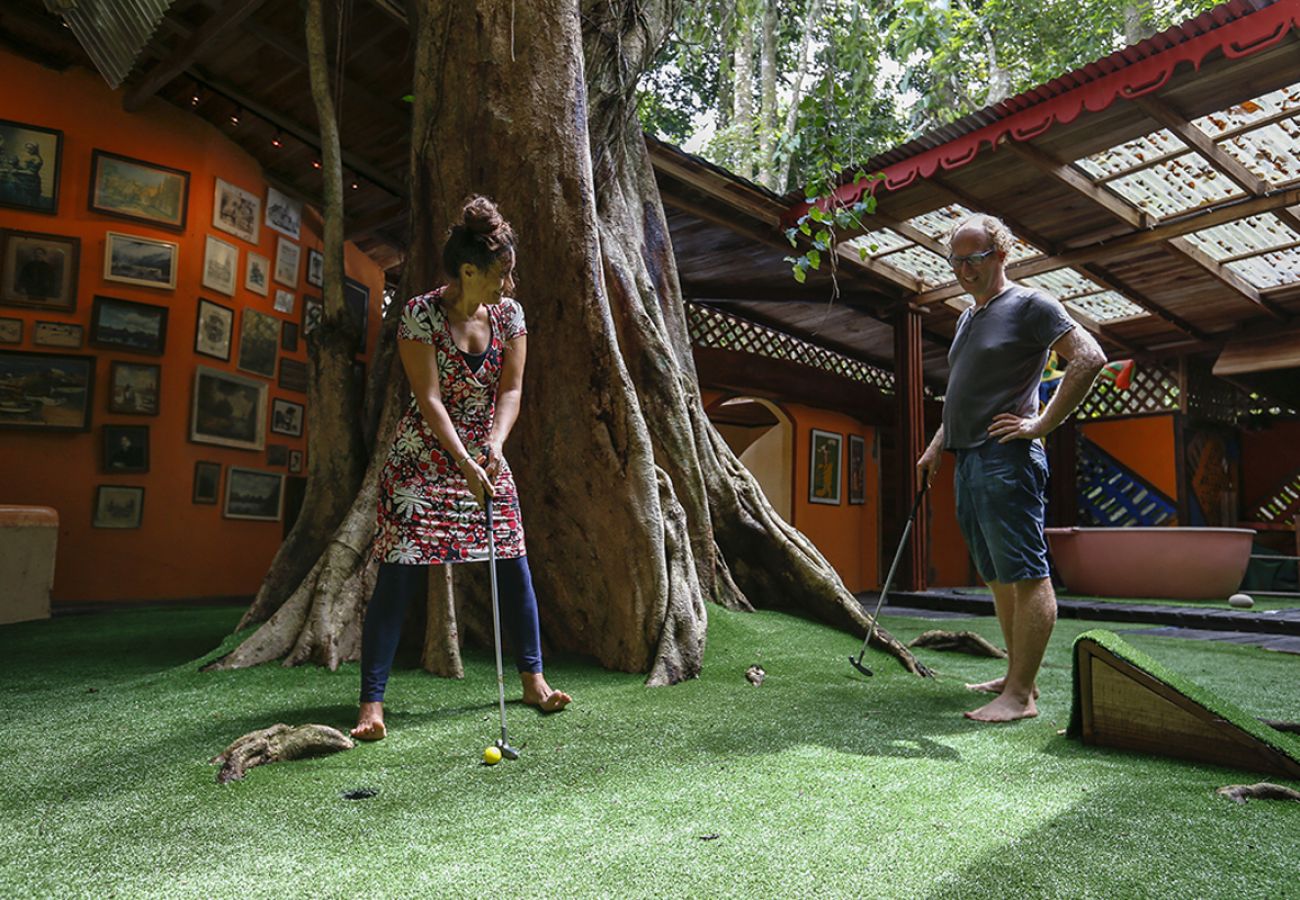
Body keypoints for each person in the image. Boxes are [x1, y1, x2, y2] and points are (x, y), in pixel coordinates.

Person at [353, 195, 571, 741]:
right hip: (423, 464)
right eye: (502, 275)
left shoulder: (510, 316)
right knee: (398, 575)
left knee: (513, 561)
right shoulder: (420, 315)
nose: (510, 286)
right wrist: (464, 460)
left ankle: (533, 681)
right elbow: (428, 399)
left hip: (485, 455)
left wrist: (494, 448)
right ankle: (371, 706)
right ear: (469, 270)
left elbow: (513, 388)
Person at [916, 215, 1106, 723]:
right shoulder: (967, 316)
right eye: (955, 259)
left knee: (1025, 573)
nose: (962, 268)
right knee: (998, 575)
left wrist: (1041, 423)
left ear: (1001, 254)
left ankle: (1019, 698)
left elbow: (1088, 358)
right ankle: (1021, 676)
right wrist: (937, 446)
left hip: (1007, 458)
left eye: (973, 258)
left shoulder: (1031, 305)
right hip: (968, 456)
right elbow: (965, 391)